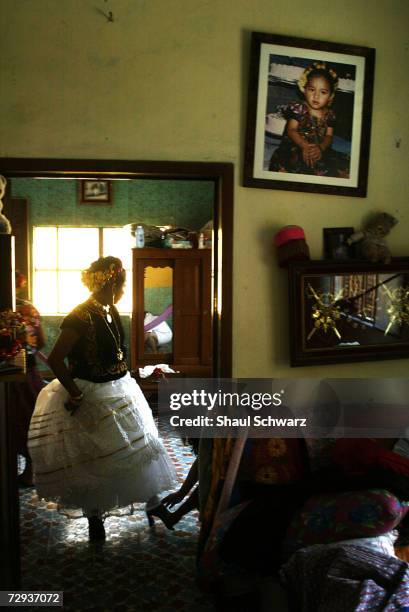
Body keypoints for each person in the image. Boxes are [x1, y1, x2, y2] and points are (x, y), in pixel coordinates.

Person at [28, 256, 177, 541]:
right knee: (95, 459)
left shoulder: (110, 309)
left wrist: (141, 372)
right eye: (122, 285)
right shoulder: (80, 315)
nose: (124, 290)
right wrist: (75, 393)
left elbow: (115, 355)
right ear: (110, 283)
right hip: (92, 395)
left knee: (137, 450)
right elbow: (57, 360)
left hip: (119, 389)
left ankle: (154, 505)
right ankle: (95, 517)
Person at [269, 62, 348, 177]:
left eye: (323, 92)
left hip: (318, 147)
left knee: (339, 165)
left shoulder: (330, 114)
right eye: (311, 90)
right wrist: (305, 146)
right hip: (296, 145)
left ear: (330, 96)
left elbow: (329, 136)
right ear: (304, 89)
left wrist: (321, 148)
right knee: (296, 162)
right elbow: (291, 130)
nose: (316, 96)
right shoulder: (299, 108)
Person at [9, 272, 46, 486]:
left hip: (11, 375)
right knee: (28, 420)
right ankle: (30, 470)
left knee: (15, 422)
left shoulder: (11, 310)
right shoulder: (28, 309)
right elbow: (40, 342)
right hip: (28, 372)